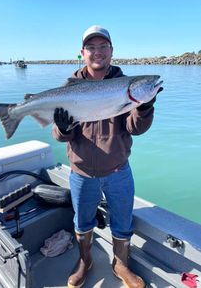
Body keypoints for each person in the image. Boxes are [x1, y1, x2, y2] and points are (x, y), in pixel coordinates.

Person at [52, 25, 162, 288]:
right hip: (81, 173)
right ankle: (84, 261)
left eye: (103, 46)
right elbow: (58, 134)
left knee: (122, 221)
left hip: (118, 170)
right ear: (82, 53)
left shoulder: (125, 86)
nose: (97, 52)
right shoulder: (69, 87)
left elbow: (136, 128)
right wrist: (64, 128)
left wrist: (144, 106)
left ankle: (121, 264)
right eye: (91, 47)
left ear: (112, 51)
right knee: (82, 221)